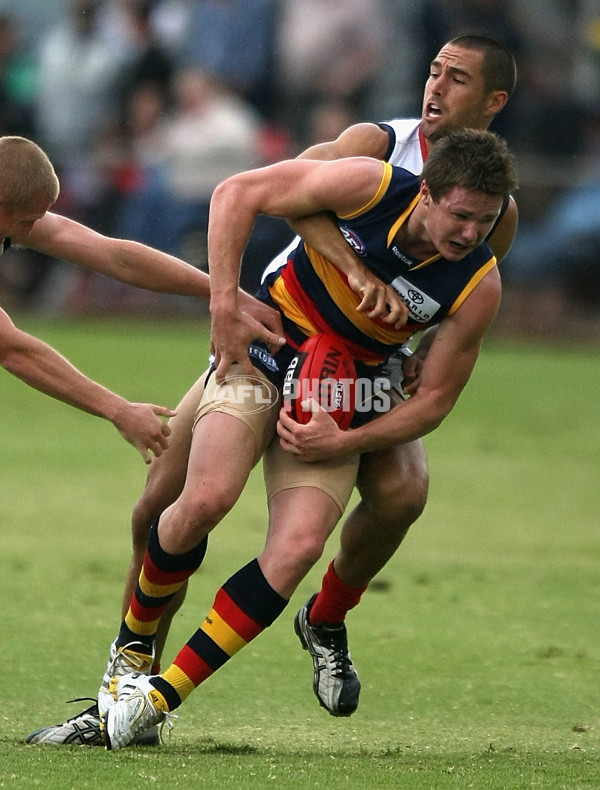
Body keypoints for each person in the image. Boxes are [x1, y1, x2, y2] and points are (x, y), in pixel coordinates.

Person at [25, 34, 518, 746]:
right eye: (434, 71)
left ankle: (168, 694)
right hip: (270, 342)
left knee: (339, 526)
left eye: (457, 78)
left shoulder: (486, 248)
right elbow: (254, 193)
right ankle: (126, 662)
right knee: (181, 504)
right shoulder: (375, 156)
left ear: (494, 102)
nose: (470, 233)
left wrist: (376, 399)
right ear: (431, 192)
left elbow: (437, 392)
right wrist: (233, 300)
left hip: (348, 385)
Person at [0, 135, 284, 464]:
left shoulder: (11, 216)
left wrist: (229, 295)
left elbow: (118, 258)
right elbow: (11, 348)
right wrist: (119, 409)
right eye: (26, 221)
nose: (32, 228)